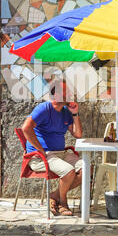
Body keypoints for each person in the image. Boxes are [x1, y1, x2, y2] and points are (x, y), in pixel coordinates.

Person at [22, 81, 83, 216]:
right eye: (67, 92)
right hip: (41, 157)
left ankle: (54, 196)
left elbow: (78, 134)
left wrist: (75, 114)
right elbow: (26, 128)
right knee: (69, 172)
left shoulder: (66, 112)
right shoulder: (44, 109)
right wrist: (40, 149)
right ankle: (63, 202)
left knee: (86, 170)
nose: (70, 94)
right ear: (56, 95)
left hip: (60, 154)